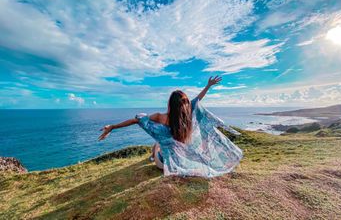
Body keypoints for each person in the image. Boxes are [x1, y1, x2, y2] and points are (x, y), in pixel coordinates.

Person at [98, 76, 243, 178]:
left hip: (165, 165)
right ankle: (153, 153)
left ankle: (152, 156)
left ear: (170, 104)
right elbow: (198, 99)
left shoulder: (160, 117)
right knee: (162, 141)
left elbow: (136, 120)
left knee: (158, 142)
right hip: (182, 161)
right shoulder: (187, 115)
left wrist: (112, 126)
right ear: (184, 106)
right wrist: (208, 85)